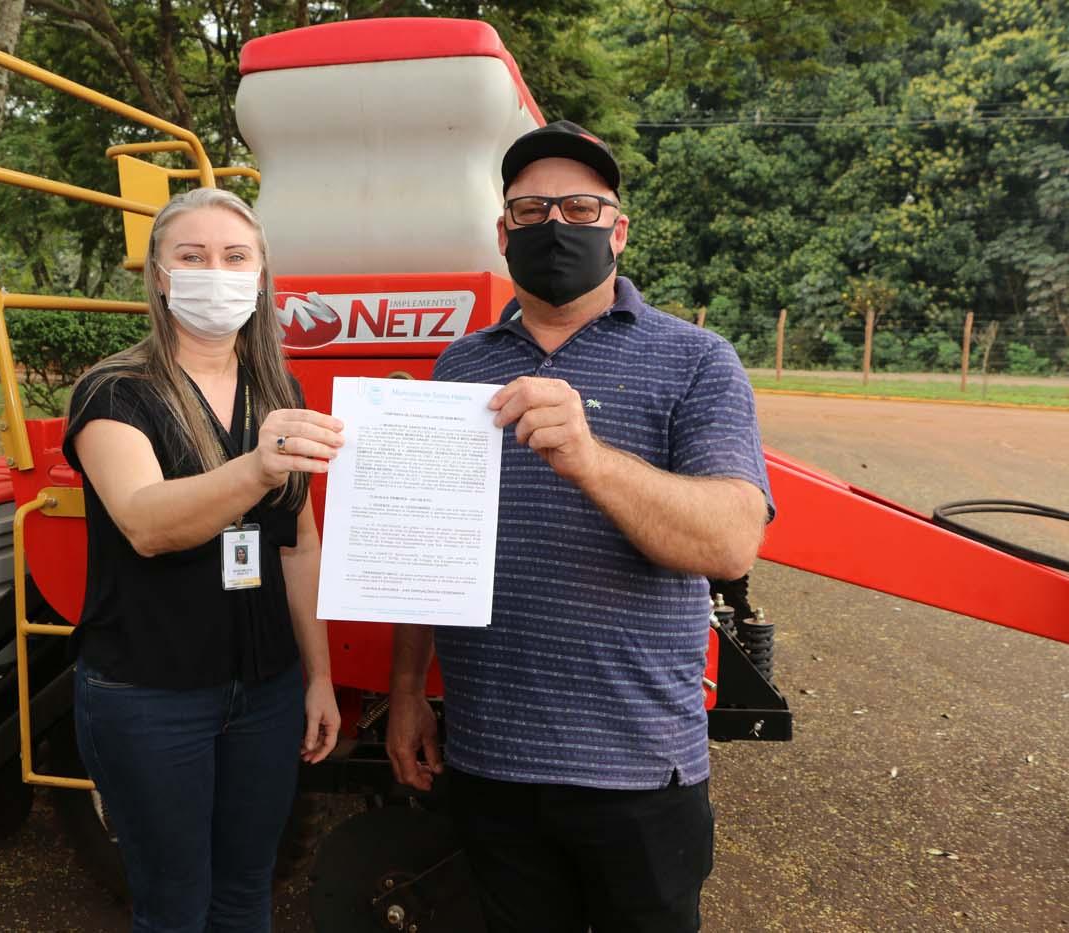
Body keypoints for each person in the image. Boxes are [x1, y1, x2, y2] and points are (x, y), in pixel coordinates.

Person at [387, 121, 773, 933]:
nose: (555, 226)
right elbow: (420, 544)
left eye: (580, 207)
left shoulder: (699, 360)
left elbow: (732, 540)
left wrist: (592, 459)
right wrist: (406, 692)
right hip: (491, 761)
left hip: (638, 769)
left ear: (618, 229)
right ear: (503, 233)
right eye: (530, 211)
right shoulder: (460, 367)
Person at [61, 187, 344, 933]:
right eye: (191, 256)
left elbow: (299, 543)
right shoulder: (114, 393)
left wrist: (317, 677)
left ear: (260, 276)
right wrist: (256, 466)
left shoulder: (278, 390)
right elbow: (147, 522)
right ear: (159, 275)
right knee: (175, 905)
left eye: (234, 256)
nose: (214, 271)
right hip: (149, 695)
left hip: (266, 691)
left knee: (248, 890)